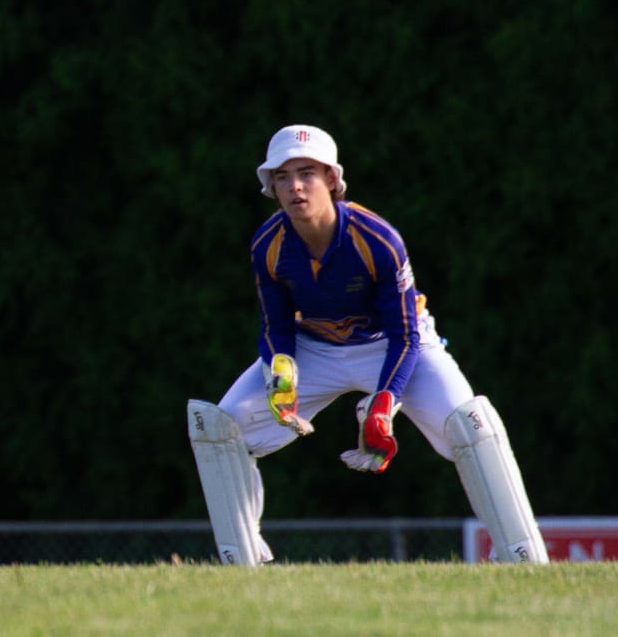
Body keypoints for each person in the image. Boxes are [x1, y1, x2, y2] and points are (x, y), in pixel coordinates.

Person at [186, 125, 548, 565]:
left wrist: (384, 402)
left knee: (471, 425)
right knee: (221, 428)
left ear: (332, 179)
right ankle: (242, 564)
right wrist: (281, 370)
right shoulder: (268, 244)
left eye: (307, 173)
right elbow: (276, 324)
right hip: (315, 348)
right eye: (282, 177)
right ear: (271, 187)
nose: (295, 187)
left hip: (394, 345)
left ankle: (522, 557)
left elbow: (405, 333)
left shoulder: (378, 239)